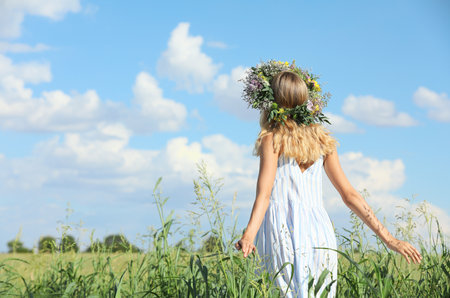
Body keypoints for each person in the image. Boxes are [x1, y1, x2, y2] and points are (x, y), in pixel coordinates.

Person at [235, 64, 422, 297]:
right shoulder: (322, 141)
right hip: (318, 232)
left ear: (274, 102)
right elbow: (350, 195)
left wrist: (249, 235)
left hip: (280, 230)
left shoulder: (272, 140)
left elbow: (264, 194)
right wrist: (389, 239)